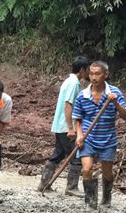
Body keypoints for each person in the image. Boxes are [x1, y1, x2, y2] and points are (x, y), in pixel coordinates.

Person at [72, 61, 126, 209]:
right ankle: (90, 202)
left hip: (108, 139)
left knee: (107, 172)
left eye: (97, 74)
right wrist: (79, 135)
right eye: (91, 74)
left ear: (106, 75)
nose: (93, 77)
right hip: (88, 138)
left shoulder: (115, 92)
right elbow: (77, 118)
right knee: (86, 169)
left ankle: (106, 198)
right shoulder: (82, 95)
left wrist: (116, 103)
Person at [37, 55, 91, 194]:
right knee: (76, 156)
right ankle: (71, 187)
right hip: (65, 127)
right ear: (82, 69)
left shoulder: (69, 81)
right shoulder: (73, 84)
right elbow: (68, 105)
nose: (89, 73)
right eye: (88, 70)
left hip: (60, 125)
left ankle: (44, 184)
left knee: (58, 154)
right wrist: (70, 128)